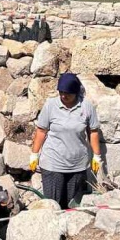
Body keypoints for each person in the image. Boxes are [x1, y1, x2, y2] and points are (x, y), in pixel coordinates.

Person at [29, 73, 101, 209]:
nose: (63, 96)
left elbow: (93, 131)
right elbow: (41, 130)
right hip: (53, 163)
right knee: (53, 205)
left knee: (71, 207)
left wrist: (97, 156)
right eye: (61, 92)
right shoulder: (51, 105)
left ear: (76, 92)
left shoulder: (86, 107)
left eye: (67, 93)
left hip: (78, 165)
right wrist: (34, 154)